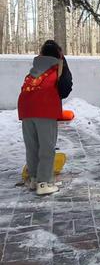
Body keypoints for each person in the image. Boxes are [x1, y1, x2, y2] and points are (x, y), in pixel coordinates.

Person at [17, 40, 73, 195]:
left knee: (32, 146)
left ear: (41, 53)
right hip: (45, 108)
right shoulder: (58, 67)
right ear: (59, 53)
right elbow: (65, 89)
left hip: (26, 109)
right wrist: (63, 62)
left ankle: (34, 179)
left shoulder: (35, 67)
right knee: (46, 147)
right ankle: (44, 183)